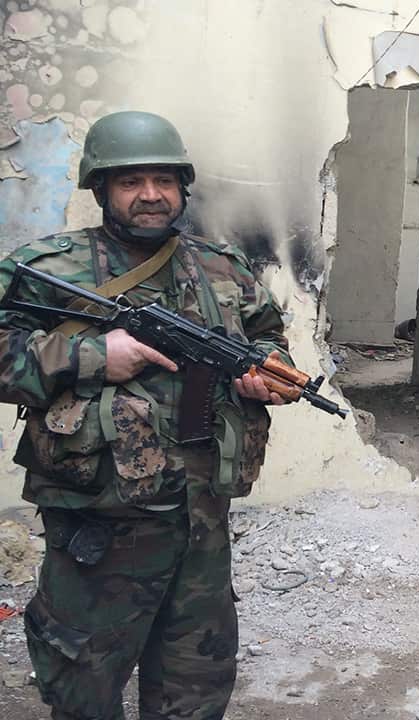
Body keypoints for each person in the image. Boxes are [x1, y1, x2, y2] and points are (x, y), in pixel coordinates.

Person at [0, 110, 290, 719]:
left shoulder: (223, 267)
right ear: (100, 189)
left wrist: (266, 366)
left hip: (202, 525)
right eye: (131, 182)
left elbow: (265, 331)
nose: (151, 195)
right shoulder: (50, 268)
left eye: (164, 180)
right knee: (84, 684)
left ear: (183, 188)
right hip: (101, 529)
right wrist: (89, 353)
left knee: (198, 682)